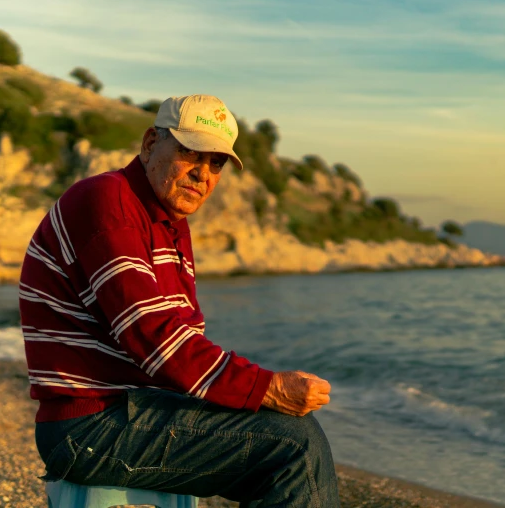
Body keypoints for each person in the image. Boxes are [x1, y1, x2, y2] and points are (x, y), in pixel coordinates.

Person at [20, 94, 339, 507]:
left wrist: (256, 397)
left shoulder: (166, 223)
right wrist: (267, 387)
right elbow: (154, 338)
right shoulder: (108, 202)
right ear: (151, 143)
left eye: (216, 163)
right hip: (90, 426)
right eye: (190, 153)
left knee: (284, 441)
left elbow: (180, 337)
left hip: (126, 411)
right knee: (295, 446)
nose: (202, 174)